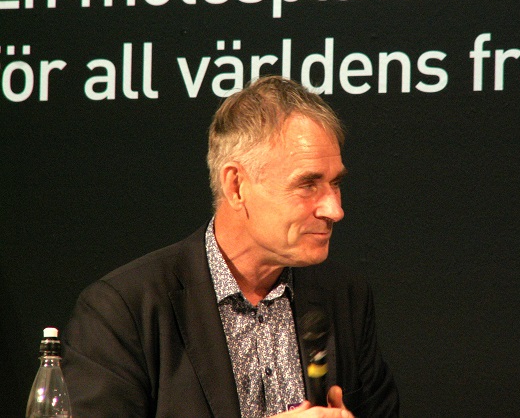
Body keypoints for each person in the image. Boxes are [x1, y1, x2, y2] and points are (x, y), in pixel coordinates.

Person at [62, 76, 399, 417]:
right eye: (308, 184)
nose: (334, 210)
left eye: (335, 183)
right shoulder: (124, 310)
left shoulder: (344, 296)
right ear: (236, 186)